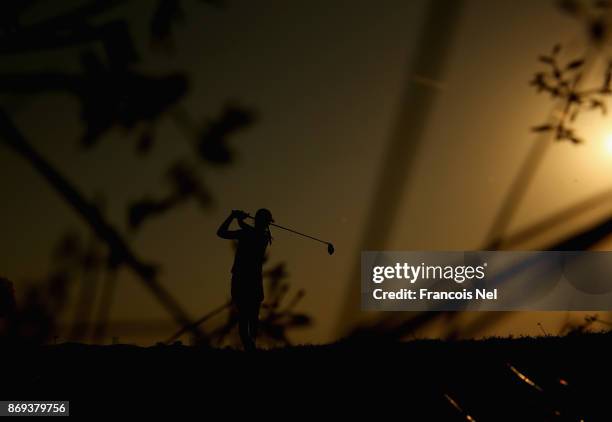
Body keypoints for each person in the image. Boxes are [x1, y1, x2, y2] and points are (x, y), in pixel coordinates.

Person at [217, 209, 273, 350]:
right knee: (246, 316)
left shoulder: (261, 236)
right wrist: (235, 218)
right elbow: (221, 233)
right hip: (247, 280)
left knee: (251, 317)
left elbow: (244, 231)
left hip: (246, 280)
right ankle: (250, 347)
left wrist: (236, 217)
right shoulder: (256, 234)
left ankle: (251, 346)